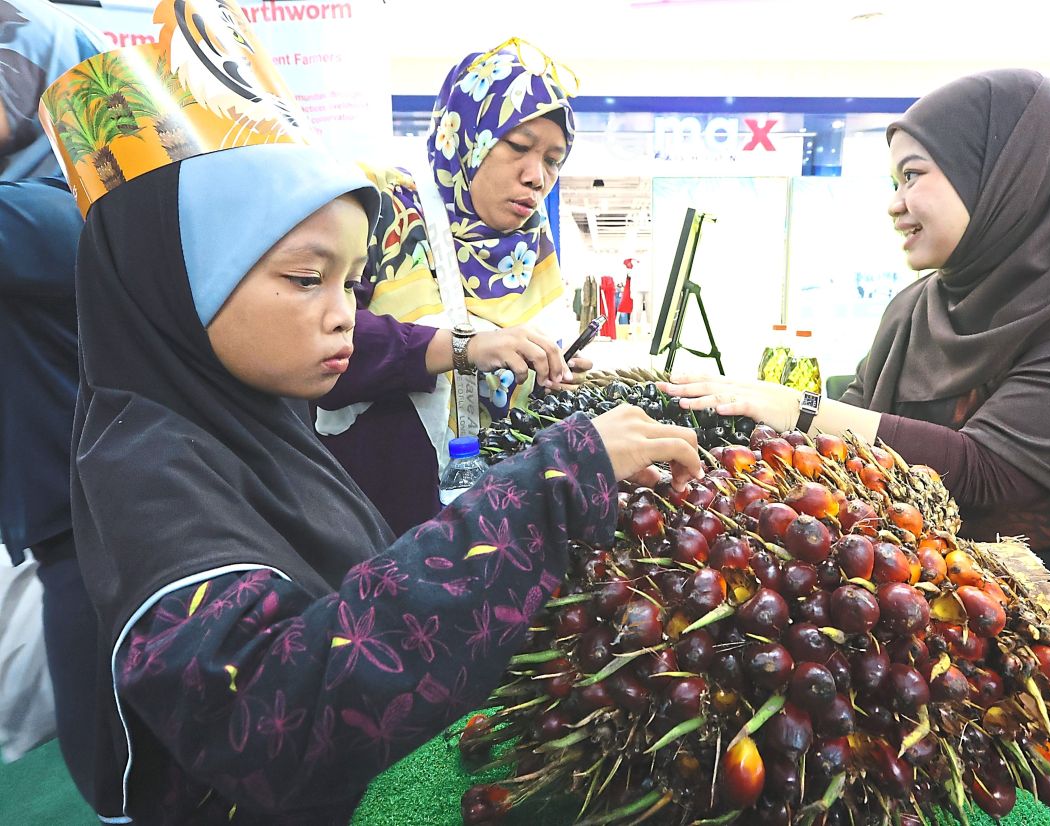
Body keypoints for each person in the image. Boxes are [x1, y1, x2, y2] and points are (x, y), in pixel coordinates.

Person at [65, 136, 700, 823]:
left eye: (350, 282)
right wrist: (545, 487)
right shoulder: (150, 474)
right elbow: (269, 717)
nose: (343, 313)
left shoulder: (247, 410)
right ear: (179, 283)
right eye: (309, 279)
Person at [661, 69, 1050, 801]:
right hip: (934, 599)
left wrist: (791, 406)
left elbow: (993, 475)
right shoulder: (920, 306)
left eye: (914, 175)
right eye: (892, 180)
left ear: (1008, 175)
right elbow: (852, 446)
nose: (895, 204)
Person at [316, 41, 585, 535]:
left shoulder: (534, 249)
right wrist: (462, 348)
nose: (536, 177)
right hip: (381, 520)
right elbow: (315, 339)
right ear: (470, 137)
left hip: (503, 524)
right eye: (520, 146)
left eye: (553, 160)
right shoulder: (383, 208)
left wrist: (551, 366)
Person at [0, 0, 117, 805]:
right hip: (77, 500)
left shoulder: (38, 212)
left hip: (80, 509)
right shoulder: (82, 199)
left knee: (100, 742)